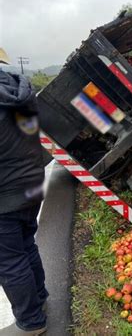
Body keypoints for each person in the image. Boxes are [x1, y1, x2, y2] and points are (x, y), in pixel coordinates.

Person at [0, 48, 48, 336]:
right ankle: (40, 297)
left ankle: (31, 322)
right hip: (30, 186)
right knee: (27, 245)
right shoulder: (22, 91)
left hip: (4, 196)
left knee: (9, 260)